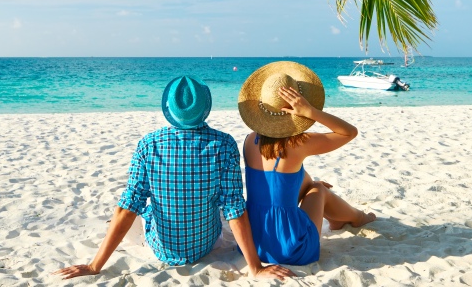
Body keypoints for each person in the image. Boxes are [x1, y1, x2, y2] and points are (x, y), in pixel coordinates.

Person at [55, 76, 293, 281]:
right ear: (204, 108)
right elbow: (233, 208)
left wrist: (94, 266)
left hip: (161, 250)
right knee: (220, 204)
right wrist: (255, 268)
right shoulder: (224, 144)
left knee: (139, 205)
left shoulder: (148, 145)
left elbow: (128, 207)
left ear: (169, 109)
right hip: (204, 245)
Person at [237, 61, 377, 265]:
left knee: (309, 183)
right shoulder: (299, 143)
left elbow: (282, 180)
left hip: (254, 244)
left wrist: (310, 183)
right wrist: (311, 112)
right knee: (319, 190)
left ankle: (342, 216)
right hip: (292, 248)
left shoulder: (250, 140)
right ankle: (358, 218)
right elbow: (349, 132)